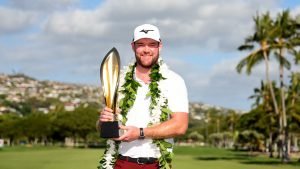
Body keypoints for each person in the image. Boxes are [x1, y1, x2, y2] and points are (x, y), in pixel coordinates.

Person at [98, 24, 189, 169]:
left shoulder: (174, 81)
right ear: (133, 47)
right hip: (121, 163)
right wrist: (102, 122)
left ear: (160, 46)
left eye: (152, 44)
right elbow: (105, 129)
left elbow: (180, 126)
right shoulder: (118, 81)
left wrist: (140, 133)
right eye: (141, 44)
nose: (146, 49)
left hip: (155, 164)